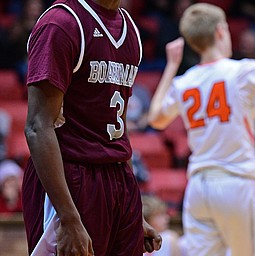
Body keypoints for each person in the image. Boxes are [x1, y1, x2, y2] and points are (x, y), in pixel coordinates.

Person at [148, 3, 255, 256]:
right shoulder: (243, 71)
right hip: (236, 182)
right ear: (220, 31)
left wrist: (172, 66)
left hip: (198, 186)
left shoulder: (185, 81)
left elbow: (156, 119)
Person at [22, 0, 162, 255]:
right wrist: (68, 217)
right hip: (72, 177)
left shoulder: (129, 28)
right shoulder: (62, 23)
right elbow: (37, 126)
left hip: (119, 178)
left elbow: (115, 125)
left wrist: (135, 212)